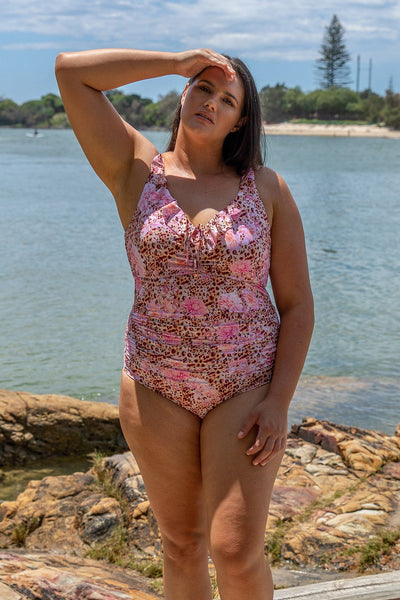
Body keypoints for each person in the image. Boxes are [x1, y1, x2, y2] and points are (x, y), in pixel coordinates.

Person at [55, 48, 314, 600]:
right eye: (202, 88)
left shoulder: (266, 188)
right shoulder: (133, 169)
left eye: (227, 100)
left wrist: (279, 402)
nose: (210, 103)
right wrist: (177, 60)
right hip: (154, 383)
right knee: (181, 543)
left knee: (236, 550)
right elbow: (72, 73)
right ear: (184, 94)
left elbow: (297, 304)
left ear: (240, 120)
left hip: (244, 385)